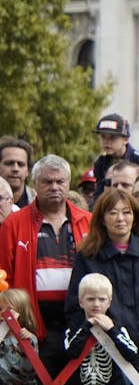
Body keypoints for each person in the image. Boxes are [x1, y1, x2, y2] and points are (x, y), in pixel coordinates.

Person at [65, 187, 139, 385]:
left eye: (126, 212)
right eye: (112, 212)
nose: (120, 218)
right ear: (101, 218)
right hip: (106, 347)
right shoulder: (88, 255)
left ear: (135, 217)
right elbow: (74, 305)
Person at [0, 156, 91, 373]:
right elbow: (4, 276)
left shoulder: (88, 221)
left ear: (68, 184)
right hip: (33, 326)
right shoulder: (13, 224)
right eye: (47, 182)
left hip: (80, 324)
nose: (54, 187)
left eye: (60, 181)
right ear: (34, 184)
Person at [89, 113, 139, 203]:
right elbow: (99, 193)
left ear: (125, 139)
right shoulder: (100, 163)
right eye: (103, 137)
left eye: (113, 137)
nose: (106, 142)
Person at [0, 136, 32, 211]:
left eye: (21, 164)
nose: (15, 169)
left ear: (28, 171)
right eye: (9, 163)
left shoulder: (40, 203)